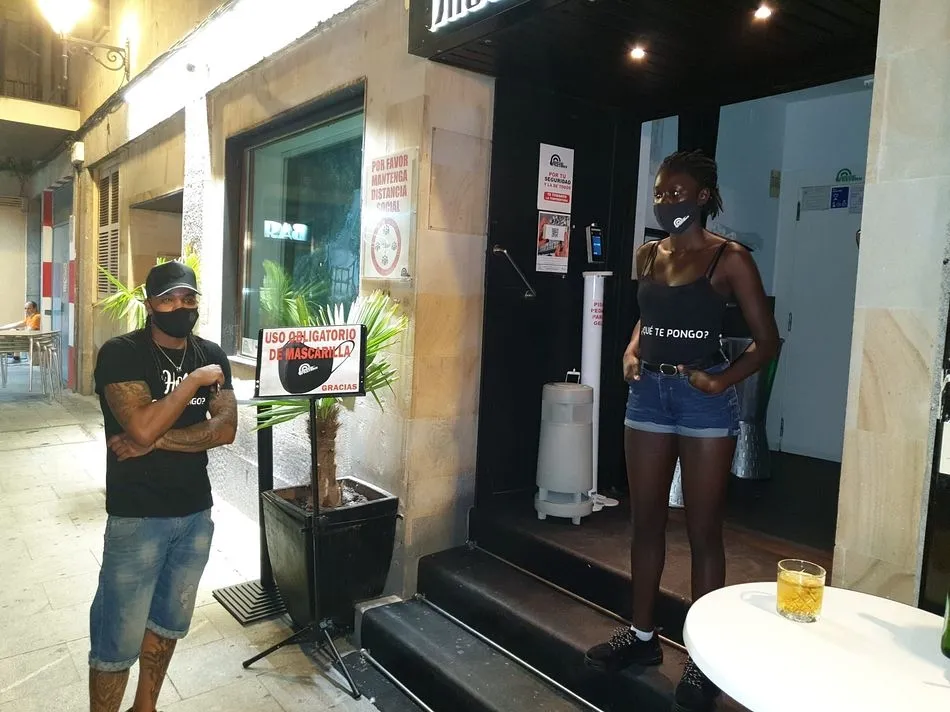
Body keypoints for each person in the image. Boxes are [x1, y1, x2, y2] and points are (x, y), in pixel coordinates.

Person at [584, 150, 778, 712]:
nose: (667, 200)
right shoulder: (649, 254)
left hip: (703, 400)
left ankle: (704, 659)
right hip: (648, 394)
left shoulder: (729, 258)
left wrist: (723, 385)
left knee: (703, 532)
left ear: (702, 196)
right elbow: (649, 316)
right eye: (661, 191)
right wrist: (628, 350)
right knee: (645, 522)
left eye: (678, 191)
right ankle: (642, 636)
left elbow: (766, 343)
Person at [89, 261, 237, 712]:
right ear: (150, 304)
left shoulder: (212, 352)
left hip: (195, 514)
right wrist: (192, 382)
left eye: (188, 298)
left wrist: (153, 442)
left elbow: (225, 429)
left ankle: (145, 706)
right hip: (137, 517)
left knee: (168, 623)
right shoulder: (122, 353)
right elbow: (139, 425)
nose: (181, 306)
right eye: (170, 298)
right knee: (117, 636)